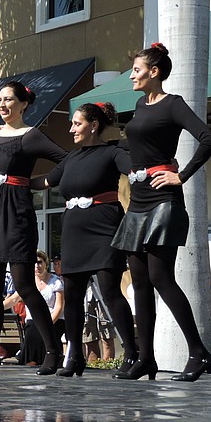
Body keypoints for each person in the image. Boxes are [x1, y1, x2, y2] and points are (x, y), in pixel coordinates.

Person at [111, 43, 211, 381]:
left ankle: (199, 353)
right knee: (139, 282)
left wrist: (181, 175)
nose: (131, 75)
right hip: (139, 201)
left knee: (160, 277)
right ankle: (146, 359)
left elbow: (208, 139)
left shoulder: (174, 104)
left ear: (154, 72)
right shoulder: (140, 105)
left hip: (163, 200)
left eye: (137, 70)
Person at [0, 82, 68, 375]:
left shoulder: (30, 135)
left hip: (17, 212)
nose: (2, 104)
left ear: (23, 104)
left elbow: (65, 158)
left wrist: (42, 183)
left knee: (23, 284)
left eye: (9, 100)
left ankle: (51, 351)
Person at [39, 101, 137, 377]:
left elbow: (135, 169)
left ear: (94, 125)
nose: (71, 129)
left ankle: (131, 354)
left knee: (109, 291)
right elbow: (45, 182)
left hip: (104, 227)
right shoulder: (70, 159)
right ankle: (74, 358)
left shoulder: (113, 153)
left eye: (77, 123)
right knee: (72, 296)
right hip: (73, 232)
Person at [12, 251, 64, 366]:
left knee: (44, 333)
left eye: (39, 262)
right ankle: (30, 364)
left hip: (53, 320)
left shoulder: (55, 282)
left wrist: (47, 325)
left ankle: (51, 362)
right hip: (32, 322)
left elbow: (59, 307)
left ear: (45, 263)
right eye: (34, 263)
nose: (37, 266)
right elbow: (13, 300)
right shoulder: (27, 282)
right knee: (31, 332)